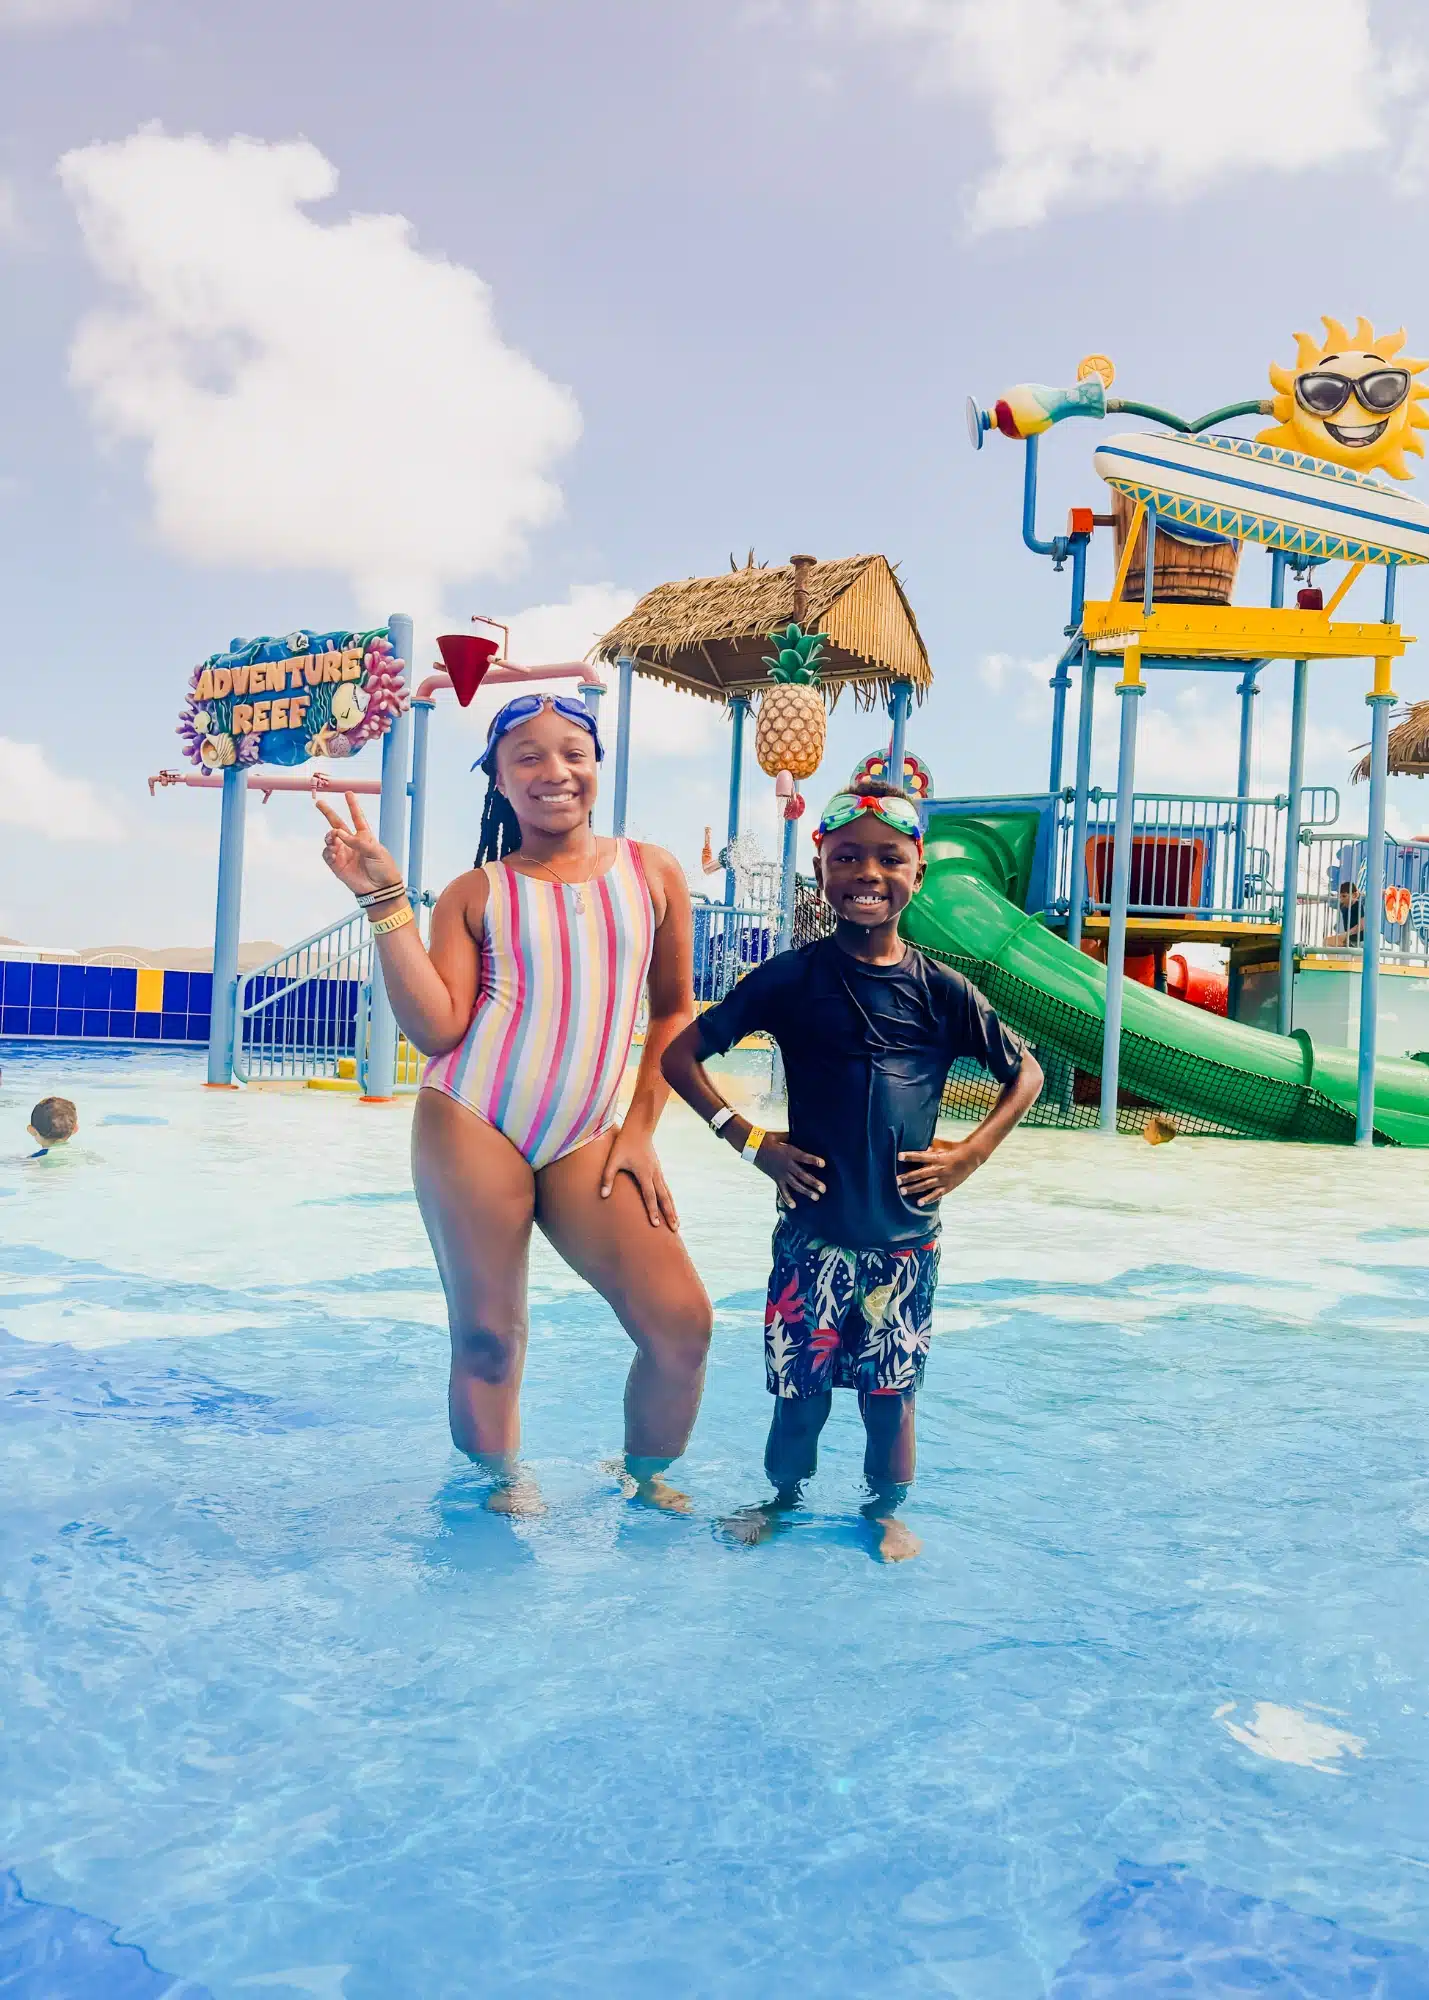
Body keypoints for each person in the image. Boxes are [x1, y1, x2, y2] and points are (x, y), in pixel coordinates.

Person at [316, 692, 712, 1515]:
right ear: (498, 781)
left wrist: (639, 1133)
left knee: (682, 1325)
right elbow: (436, 1030)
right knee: (490, 1340)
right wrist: (384, 900)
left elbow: (675, 1010)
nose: (553, 771)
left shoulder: (654, 872)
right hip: (473, 1120)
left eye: (572, 752)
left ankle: (642, 1479)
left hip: (590, 1136)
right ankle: (501, 1484)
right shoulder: (474, 892)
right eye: (526, 757)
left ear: (597, 766)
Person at [662, 781, 1043, 1561]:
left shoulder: (942, 992)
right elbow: (678, 1056)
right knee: (796, 1402)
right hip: (811, 1242)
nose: (866, 873)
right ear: (820, 870)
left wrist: (970, 1154)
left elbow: (1025, 1074)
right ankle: (781, 1500)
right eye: (845, 858)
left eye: (888, 858)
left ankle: (881, 1514)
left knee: (889, 1401)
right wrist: (749, 1138)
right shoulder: (791, 979)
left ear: (918, 874)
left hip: (904, 1246)